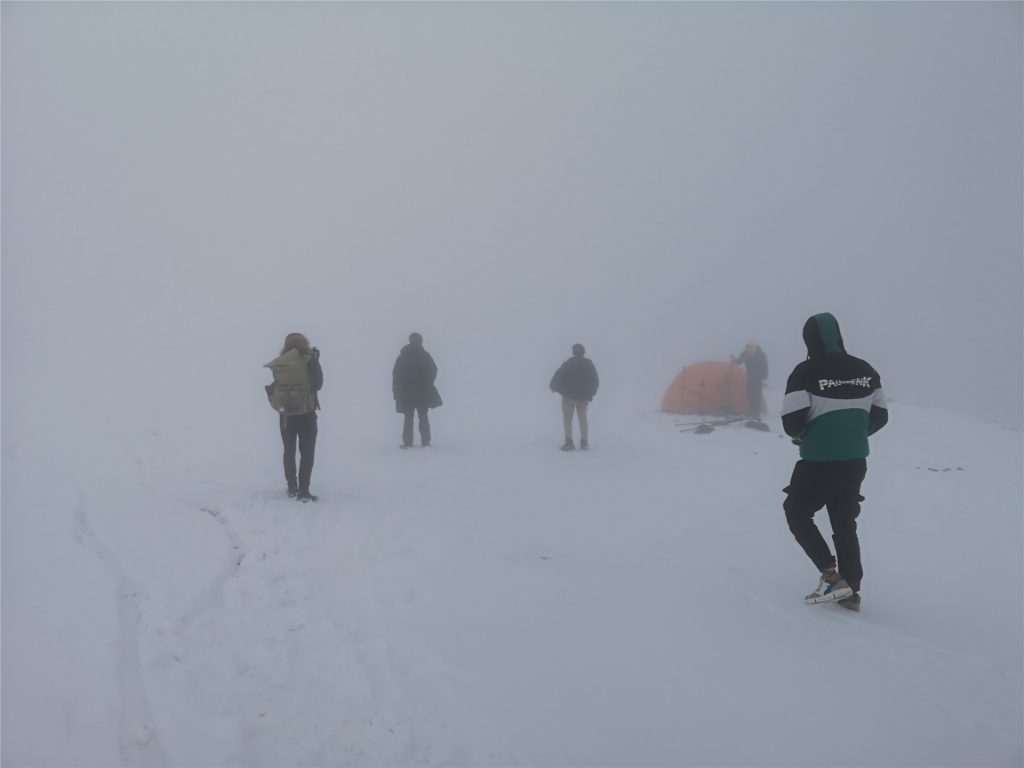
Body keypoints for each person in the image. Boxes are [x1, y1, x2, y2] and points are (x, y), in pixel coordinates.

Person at [781, 313, 888, 611]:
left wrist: (816, 436)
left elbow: (791, 423)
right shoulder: (865, 369)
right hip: (855, 459)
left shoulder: (805, 372)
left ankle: (832, 578)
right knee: (843, 520)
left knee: (797, 512)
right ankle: (851, 589)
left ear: (809, 339)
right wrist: (852, 434)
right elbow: (880, 416)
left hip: (817, 460)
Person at [264, 332, 323, 501]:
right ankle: (304, 490)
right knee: (307, 452)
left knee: (289, 451)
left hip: (286, 414)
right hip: (307, 413)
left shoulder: (281, 362)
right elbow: (319, 383)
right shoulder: (310, 359)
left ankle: (292, 487)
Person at [392, 332, 442, 448]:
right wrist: (428, 383)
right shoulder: (425, 355)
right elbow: (434, 370)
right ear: (420, 341)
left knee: (409, 418)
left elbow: (396, 375)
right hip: (422, 393)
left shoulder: (403, 356)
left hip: (407, 393)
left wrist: (396, 391)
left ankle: (408, 442)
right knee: (423, 417)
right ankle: (425, 442)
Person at [549, 343, 599, 451]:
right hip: (583, 399)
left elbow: (558, 375)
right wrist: (590, 394)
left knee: (567, 419)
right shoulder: (589, 364)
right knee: (583, 419)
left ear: (573, 352)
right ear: (583, 352)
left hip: (568, 397)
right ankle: (584, 443)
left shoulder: (568, 363)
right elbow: (595, 381)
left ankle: (568, 442)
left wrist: (553, 386)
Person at [731, 340, 768, 420]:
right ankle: (751, 412)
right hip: (750, 378)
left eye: (751, 347)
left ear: (755, 347)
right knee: (750, 395)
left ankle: (756, 414)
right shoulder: (745, 353)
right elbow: (739, 361)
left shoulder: (760, 354)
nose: (749, 349)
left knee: (756, 396)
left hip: (758, 378)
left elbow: (765, 365)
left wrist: (764, 377)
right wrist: (734, 360)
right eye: (747, 347)